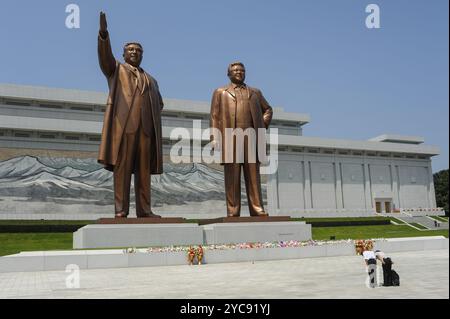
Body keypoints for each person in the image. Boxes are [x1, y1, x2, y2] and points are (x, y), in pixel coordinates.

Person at [97, 12, 164, 218]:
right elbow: (105, 58)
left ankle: (144, 210)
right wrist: (103, 35)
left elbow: (159, 103)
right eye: (130, 50)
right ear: (124, 54)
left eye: (138, 50)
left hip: (146, 130)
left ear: (142, 55)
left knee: (143, 173)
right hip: (124, 128)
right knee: (123, 170)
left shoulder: (151, 80)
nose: (134, 52)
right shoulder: (116, 70)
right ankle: (121, 210)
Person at [209, 62, 273, 217]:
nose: (239, 72)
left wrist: (261, 124)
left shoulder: (255, 92)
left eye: (241, 70)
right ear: (228, 73)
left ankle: (257, 208)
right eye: (235, 70)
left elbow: (268, 110)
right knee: (232, 177)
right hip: (231, 138)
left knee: (253, 176)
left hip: (251, 138)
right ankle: (233, 211)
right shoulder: (220, 92)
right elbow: (214, 116)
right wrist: (215, 137)